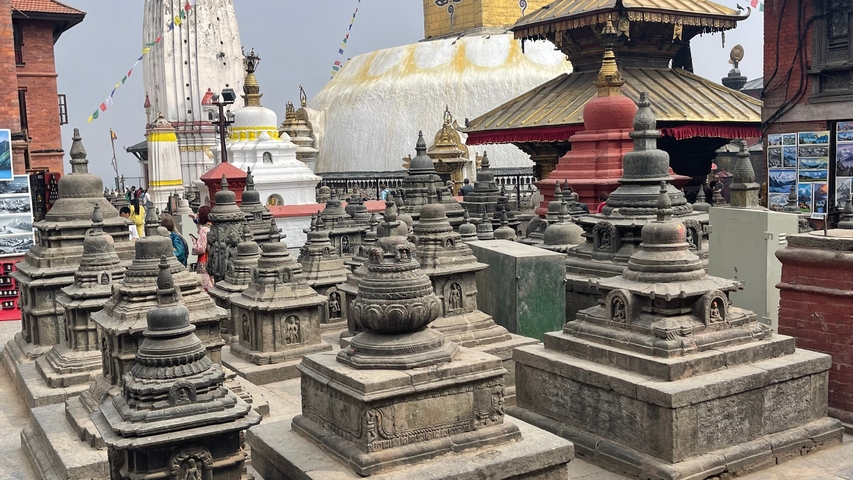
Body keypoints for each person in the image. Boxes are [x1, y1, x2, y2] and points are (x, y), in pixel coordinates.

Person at [192, 206, 213, 290]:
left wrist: (194, 243)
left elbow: (200, 248)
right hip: (213, 257)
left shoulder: (204, 229)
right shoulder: (212, 226)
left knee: (206, 284)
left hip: (204, 258)